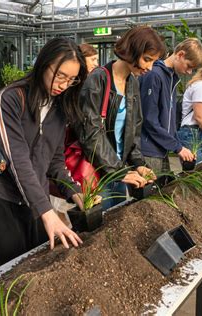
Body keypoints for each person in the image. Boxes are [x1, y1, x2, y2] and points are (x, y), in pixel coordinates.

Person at [0, 38, 87, 271]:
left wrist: (75, 192)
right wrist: (47, 212)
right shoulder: (11, 99)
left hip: (35, 204)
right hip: (2, 201)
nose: (64, 85)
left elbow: (55, 161)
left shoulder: (59, 108)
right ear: (43, 64)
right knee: (6, 275)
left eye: (71, 79)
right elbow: (16, 159)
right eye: (60, 76)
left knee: (35, 270)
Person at [74, 26, 165, 210]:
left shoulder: (132, 82)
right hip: (98, 174)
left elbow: (134, 129)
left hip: (119, 171)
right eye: (146, 59)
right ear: (132, 51)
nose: (149, 67)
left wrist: (138, 164)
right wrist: (118, 171)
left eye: (153, 62)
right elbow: (90, 132)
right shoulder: (98, 79)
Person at [139, 38, 202, 173]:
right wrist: (178, 148)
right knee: (152, 192)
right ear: (180, 55)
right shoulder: (154, 75)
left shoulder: (171, 78)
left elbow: (168, 121)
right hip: (148, 150)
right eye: (189, 66)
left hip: (161, 149)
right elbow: (149, 119)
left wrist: (179, 146)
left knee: (163, 189)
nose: (189, 72)